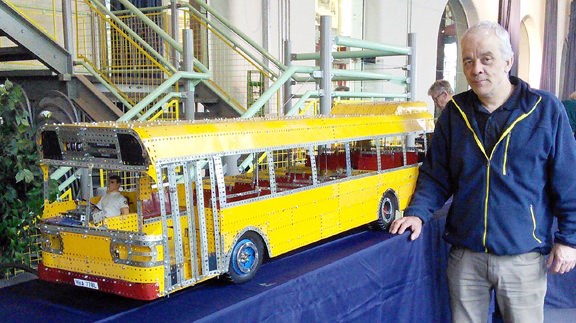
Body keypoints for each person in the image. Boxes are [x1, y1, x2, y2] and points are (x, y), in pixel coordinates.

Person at [389, 21, 576, 323]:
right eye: (468, 60)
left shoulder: (545, 110)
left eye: (486, 59)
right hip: (466, 257)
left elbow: (569, 180)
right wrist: (418, 211)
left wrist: (570, 239)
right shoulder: (455, 113)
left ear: (508, 61)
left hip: (523, 258)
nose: (476, 68)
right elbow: (437, 175)